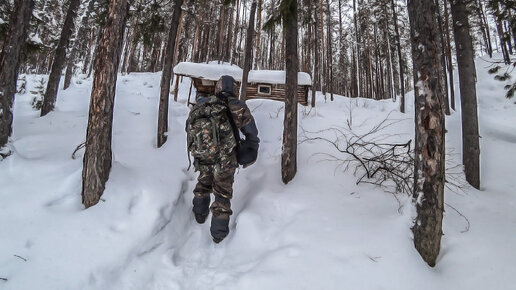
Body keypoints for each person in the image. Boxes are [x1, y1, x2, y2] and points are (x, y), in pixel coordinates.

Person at [186, 75, 259, 243]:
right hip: (226, 158)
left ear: (218, 88)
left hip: (204, 155)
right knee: (222, 194)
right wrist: (249, 151)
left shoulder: (203, 103)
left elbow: (188, 127)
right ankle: (218, 234)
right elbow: (251, 133)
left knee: (203, 184)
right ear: (234, 89)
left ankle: (199, 214)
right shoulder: (238, 106)